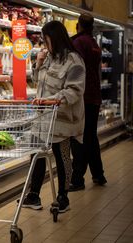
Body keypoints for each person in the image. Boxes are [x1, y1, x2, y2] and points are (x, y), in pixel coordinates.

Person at [22, 21, 86, 212]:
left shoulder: (74, 61)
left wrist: (52, 101)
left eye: (46, 39)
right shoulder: (49, 57)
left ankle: (63, 197)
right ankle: (34, 195)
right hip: (42, 118)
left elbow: (75, 91)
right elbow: (37, 81)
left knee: (62, 156)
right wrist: (39, 63)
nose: (44, 43)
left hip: (62, 120)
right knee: (37, 155)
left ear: (55, 39)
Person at [69, 13, 107, 191]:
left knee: (80, 138)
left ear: (78, 25)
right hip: (94, 95)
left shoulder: (78, 42)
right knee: (90, 136)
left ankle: (77, 179)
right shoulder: (93, 43)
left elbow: (74, 68)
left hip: (82, 97)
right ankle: (98, 174)